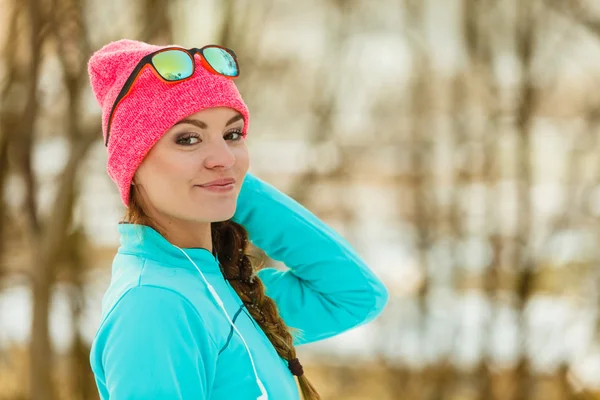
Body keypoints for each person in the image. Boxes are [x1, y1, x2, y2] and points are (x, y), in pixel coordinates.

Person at [86, 39, 389, 400]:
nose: (223, 157)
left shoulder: (222, 282)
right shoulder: (155, 307)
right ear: (132, 167)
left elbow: (353, 295)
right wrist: (216, 181)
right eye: (188, 139)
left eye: (232, 135)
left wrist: (227, 184)